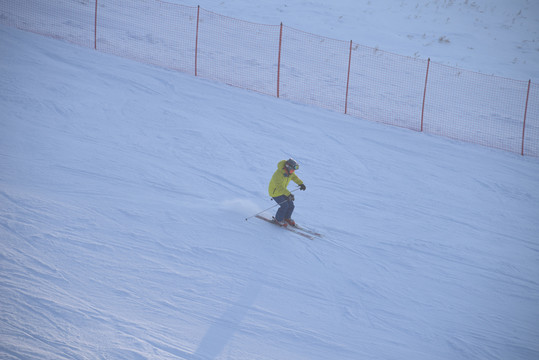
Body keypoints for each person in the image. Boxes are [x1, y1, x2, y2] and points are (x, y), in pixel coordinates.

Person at [268, 158, 306, 227]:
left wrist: (300, 183)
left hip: (282, 191)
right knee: (284, 205)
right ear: (288, 167)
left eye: (294, 170)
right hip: (275, 192)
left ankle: (286, 218)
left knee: (291, 205)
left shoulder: (290, 172)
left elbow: (294, 177)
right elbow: (279, 187)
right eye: (292, 170)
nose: (293, 171)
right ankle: (278, 219)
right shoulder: (278, 175)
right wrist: (289, 194)